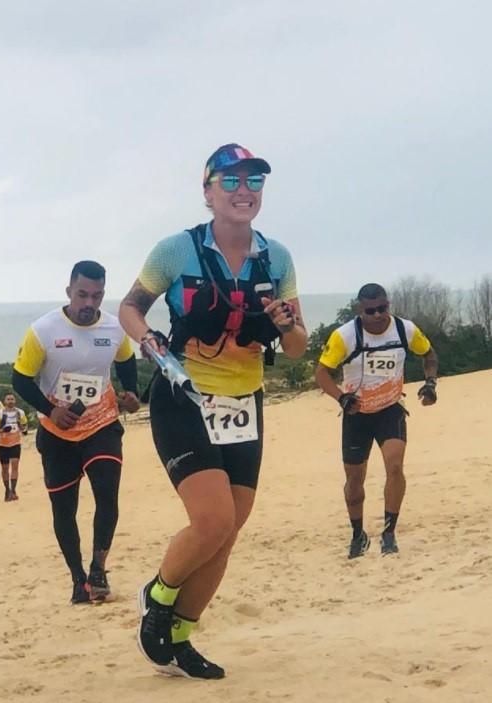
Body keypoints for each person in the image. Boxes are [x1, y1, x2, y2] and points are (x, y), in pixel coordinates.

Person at [119, 144, 307, 678]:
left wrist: (286, 322)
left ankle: (179, 638)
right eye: (231, 181)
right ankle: (158, 596)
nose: (244, 191)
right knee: (213, 519)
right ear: (208, 191)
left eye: (254, 182)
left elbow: (297, 347)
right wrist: (148, 339)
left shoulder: (277, 258)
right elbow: (130, 307)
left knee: (229, 531)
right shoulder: (176, 250)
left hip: (244, 402)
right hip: (185, 396)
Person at [12, 260, 140, 604]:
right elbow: (20, 379)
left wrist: (131, 393)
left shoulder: (114, 328)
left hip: (102, 424)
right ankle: (77, 578)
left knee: (107, 495)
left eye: (96, 296)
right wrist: (50, 410)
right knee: (63, 509)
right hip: (58, 432)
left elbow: (126, 362)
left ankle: (98, 570)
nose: (88, 303)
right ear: (69, 291)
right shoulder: (43, 330)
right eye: (82, 294)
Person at [314, 283, 439, 558]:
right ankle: (358, 534)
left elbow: (429, 354)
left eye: (383, 308)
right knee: (354, 481)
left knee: (394, 466)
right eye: (371, 311)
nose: (378, 315)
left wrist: (430, 383)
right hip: (356, 414)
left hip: (390, 409)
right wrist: (341, 398)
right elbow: (322, 373)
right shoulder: (344, 336)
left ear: (388, 305)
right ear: (360, 310)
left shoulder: (405, 329)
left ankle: (389, 532)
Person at [0, 393, 28, 501]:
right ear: (4, 401)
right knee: (5, 468)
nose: (10, 401)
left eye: (12, 399)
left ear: (15, 400)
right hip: (3, 444)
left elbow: (25, 427)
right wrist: (2, 430)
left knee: (15, 466)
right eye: (8, 399)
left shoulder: (20, 413)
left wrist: (21, 427)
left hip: (15, 443)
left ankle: (13, 490)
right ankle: (7, 490)